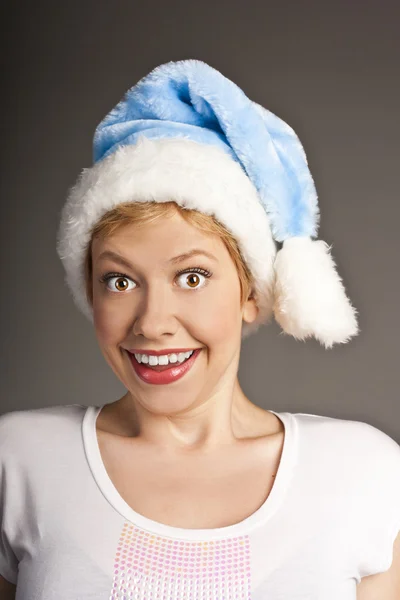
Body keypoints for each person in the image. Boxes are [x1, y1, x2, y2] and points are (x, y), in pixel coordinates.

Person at [1, 59, 399, 599]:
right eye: (119, 281)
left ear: (252, 293)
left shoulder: (362, 472)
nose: (153, 322)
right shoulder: (20, 461)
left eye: (192, 276)